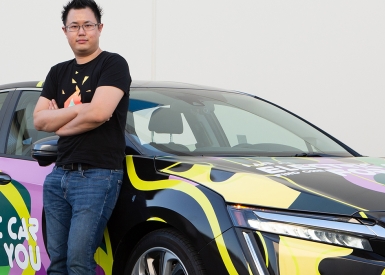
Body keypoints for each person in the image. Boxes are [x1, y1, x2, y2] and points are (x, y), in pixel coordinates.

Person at [33, 0, 131, 274]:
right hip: (58, 176)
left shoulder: (113, 64)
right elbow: (38, 119)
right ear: (64, 31)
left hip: (98, 176)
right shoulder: (57, 72)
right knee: (58, 263)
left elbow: (100, 113)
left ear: (100, 28)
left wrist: (60, 122)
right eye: (74, 26)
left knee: (79, 261)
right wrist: (81, 111)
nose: (81, 31)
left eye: (88, 25)